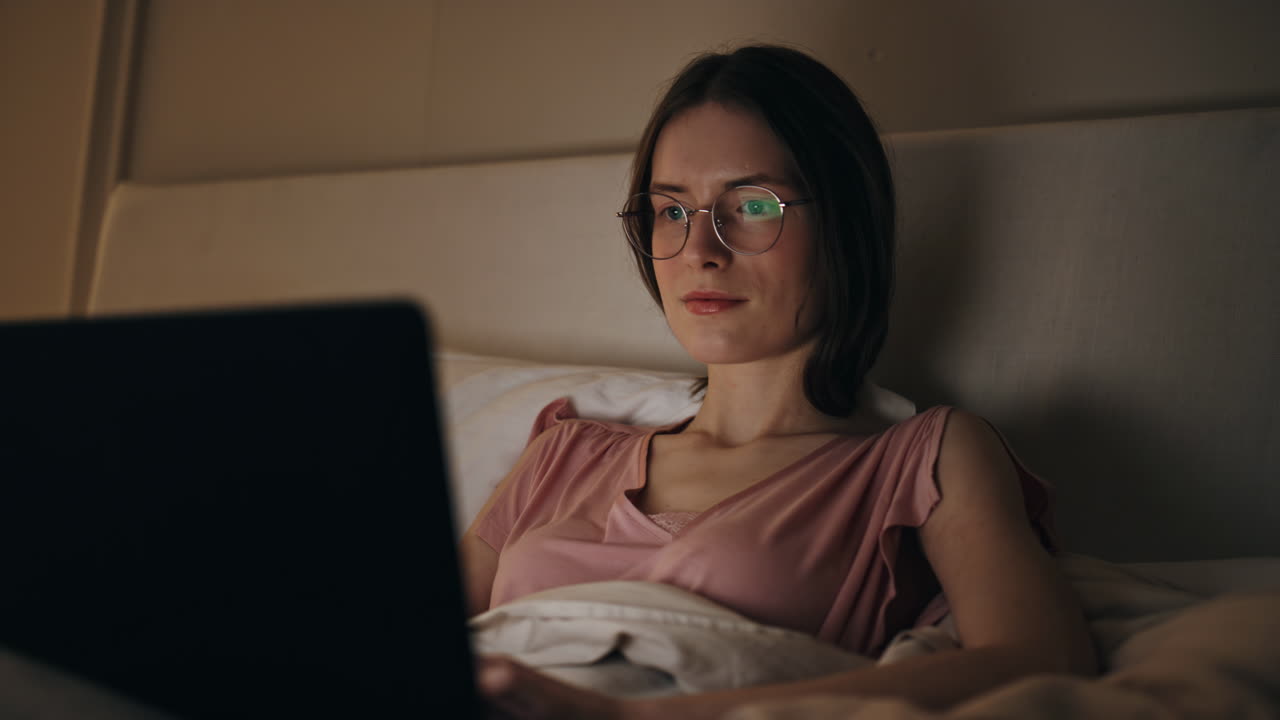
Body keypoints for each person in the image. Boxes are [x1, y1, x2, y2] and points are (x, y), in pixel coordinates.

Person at [459, 44, 1096, 719]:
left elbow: (1043, 659)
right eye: (673, 211)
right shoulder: (562, 453)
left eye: (754, 207)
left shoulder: (923, 459)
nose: (701, 251)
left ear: (844, 225)